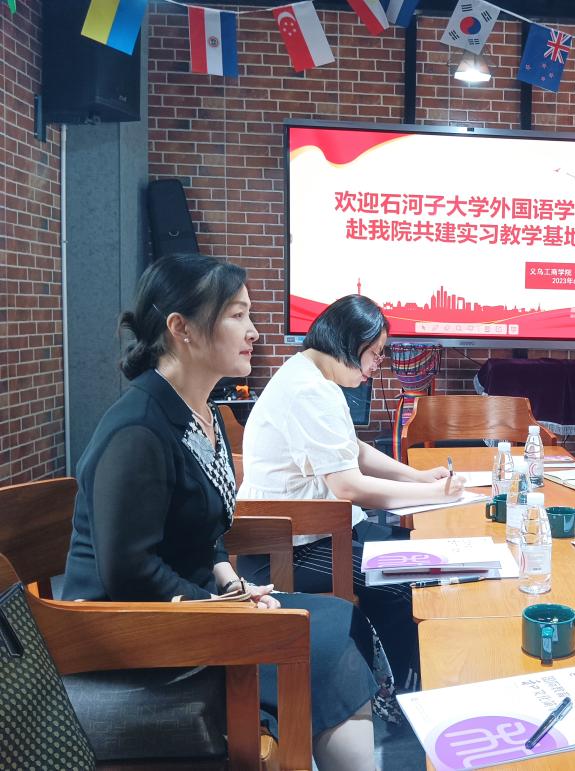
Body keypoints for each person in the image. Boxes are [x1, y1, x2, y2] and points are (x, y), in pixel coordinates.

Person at [61, 255, 390, 771]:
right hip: (131, 638)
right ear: (182, 329)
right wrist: (225, 608)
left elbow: (208, 530)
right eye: (237, 315)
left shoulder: (204, 413)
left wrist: (231, 584)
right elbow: (129, 573)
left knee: (340, 619)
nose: (254, 331)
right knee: (321, 641)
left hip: (191, 608)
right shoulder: (138, 431)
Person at [237, 294, 465, 687]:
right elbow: (348, 486)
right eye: (374, 354)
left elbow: (351, 449)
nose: (377, 366)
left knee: (421, 551)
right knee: (407, 583)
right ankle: (399, 694)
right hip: (283, 551)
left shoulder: (310, 374)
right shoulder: (309, 389)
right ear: (349, 342)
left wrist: (417, 478)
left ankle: (405, 682)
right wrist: (437, 494)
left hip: (312, 532)